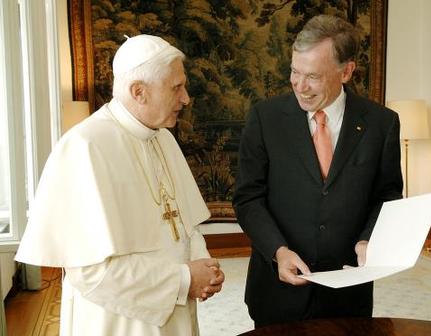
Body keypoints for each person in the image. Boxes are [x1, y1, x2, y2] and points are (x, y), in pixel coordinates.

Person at [15, 35, 225, 335]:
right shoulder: (84, 148)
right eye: (176, 87)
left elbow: (185, 223)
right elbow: (91, 273)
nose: (186, 98)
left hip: (176, 309)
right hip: (119, 322)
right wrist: (184, 280)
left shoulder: (162, 137)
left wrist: (203, 265)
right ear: (139, 92)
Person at [233, 14, 403, 327]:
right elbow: (248, 198)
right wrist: (278, 251)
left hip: (347, 296)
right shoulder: (264, 118)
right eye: (294, 72)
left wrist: (369, 239)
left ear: (347, 71)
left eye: (312, 76)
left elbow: (387, 194)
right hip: (276, 291)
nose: (300, 85)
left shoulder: (382, 123)